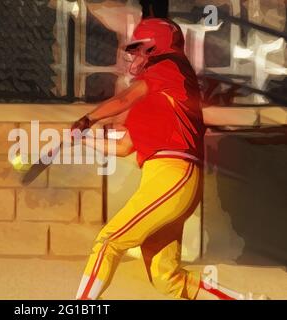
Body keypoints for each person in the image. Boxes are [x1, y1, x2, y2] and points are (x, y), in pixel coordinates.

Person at [72, 18, 263, 300]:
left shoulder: (170, 66)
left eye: (140, 48)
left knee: (109, 242)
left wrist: (88, 118)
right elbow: (125, 147)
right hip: (165, 181)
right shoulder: (155, 98)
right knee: (166, 277)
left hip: (174, 175)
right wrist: (84, 139)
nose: (134, 56)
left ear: (156, 47)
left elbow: (123, 100)